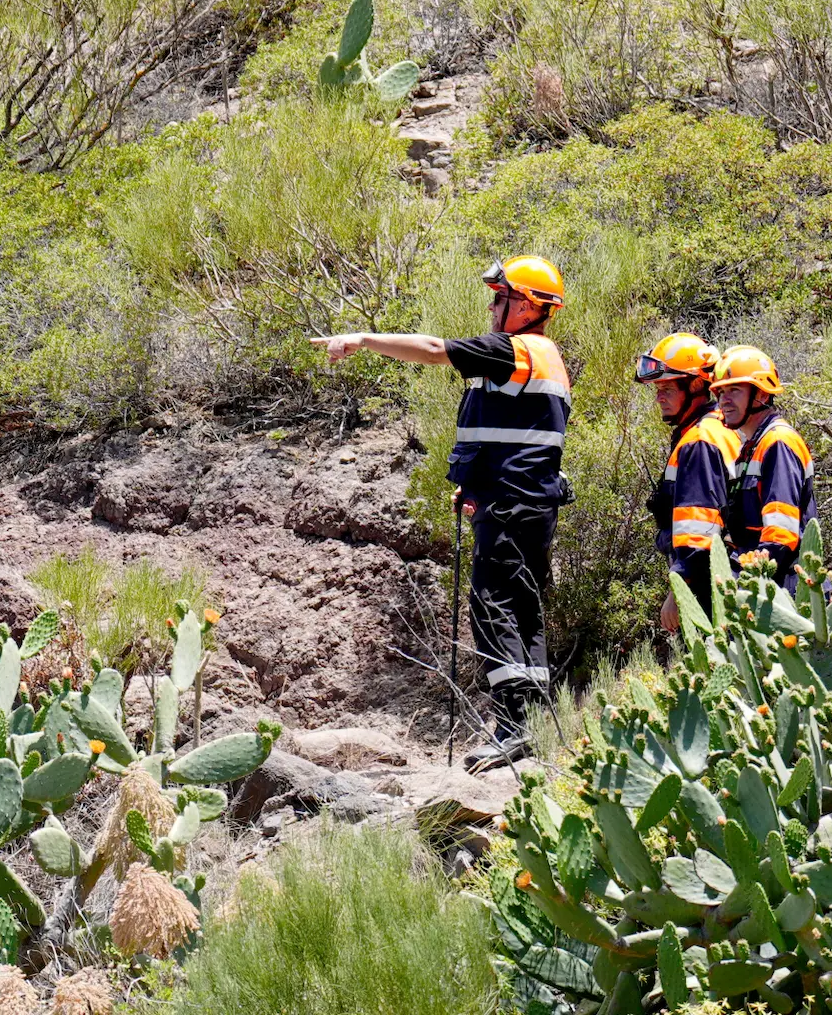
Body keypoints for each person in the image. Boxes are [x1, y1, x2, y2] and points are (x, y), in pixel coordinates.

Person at [310, 256, 571, 772]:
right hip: (528, 501)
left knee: (494, 605)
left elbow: (433, 350)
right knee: (525, 608)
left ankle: (514, 727)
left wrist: (363, 340)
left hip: (509, 503)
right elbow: (518, 437)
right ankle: (534, 725)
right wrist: (475, 482)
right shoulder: (545, 357)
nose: (492, 308)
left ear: (526, 306)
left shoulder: (514, 349)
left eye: (500, 298)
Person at [635, 332, 741, 633]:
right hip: (725, 575)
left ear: (695, 386)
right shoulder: (717, 426)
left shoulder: (700, 441)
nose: (659, 397)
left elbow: (699, 531)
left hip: (710, 583)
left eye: (667, 388)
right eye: (657, 389)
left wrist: (678, 591)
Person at [712, 346, 814, 589]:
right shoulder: (752, 446)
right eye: (721, 392)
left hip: (783, 587)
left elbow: (780, 534)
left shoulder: (777, 442)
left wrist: (752, 585)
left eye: (734, 390)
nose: (724, 400)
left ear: (762, 394)